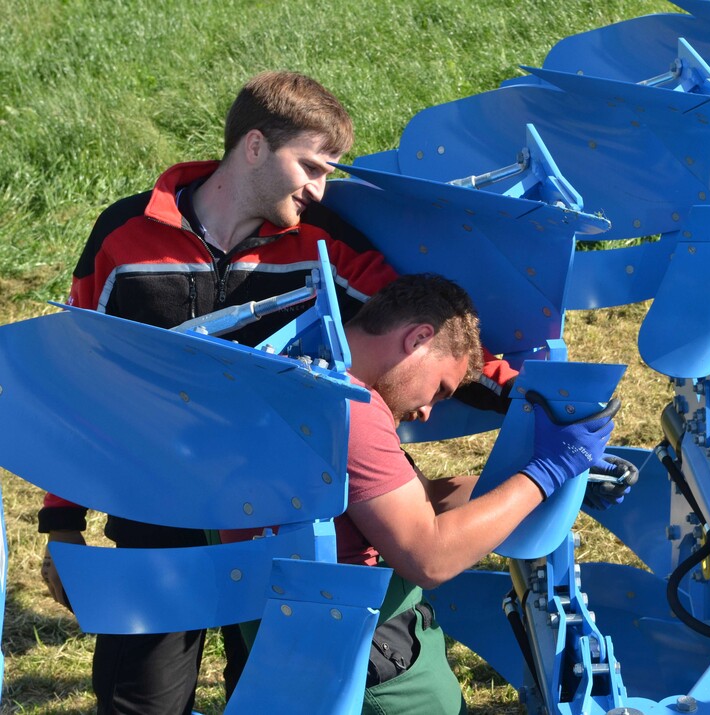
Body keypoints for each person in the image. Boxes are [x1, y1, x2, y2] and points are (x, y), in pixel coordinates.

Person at [37, 71, 517, 715]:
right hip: (156, 509)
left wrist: (532, 393)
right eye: (312, 167)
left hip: (270, 525)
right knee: (139, 702)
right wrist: (63, 524)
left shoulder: (326, 246)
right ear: (255, 146)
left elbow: (421, 333)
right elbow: (84, 382)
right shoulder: (124, 237)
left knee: (265, 695)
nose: (321, 190)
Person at [335, 273, 618, 714]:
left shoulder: (309, 366)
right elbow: (428, 557)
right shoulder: (356, 410)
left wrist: (562, 483)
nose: (427, 411)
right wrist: (544, 474)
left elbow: (422, 499)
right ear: (418, 339)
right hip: (367, 649)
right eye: (440, 389)